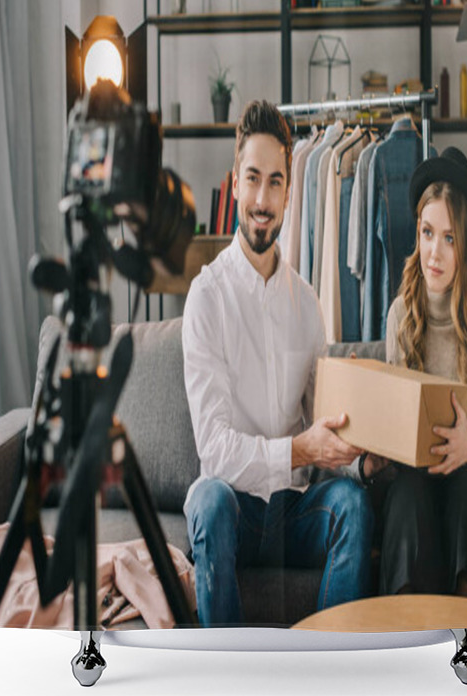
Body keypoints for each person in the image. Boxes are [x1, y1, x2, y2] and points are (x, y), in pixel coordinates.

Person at [182, 100, 374, 627]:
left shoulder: (307, 304)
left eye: (275, 183)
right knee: (207, 498)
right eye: (252, 180)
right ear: (236, 185)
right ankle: (227, 677)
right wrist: (297, 449)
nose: (263, 199)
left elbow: (326, 431)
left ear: (291, 192)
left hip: (294, 513)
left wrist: (362, 460)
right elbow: (215, 452)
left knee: (353, 505)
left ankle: (330, 669)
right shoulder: (206, 297)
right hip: (234, 514)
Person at [366, 146, 467, 599]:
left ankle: (465, 620)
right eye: (427, 233)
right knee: (408, 490)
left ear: (464, 245)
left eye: (448, 238)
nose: (434, 252)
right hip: (414, 482)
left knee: (465, 486)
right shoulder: (400, 314)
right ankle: (405, 624)